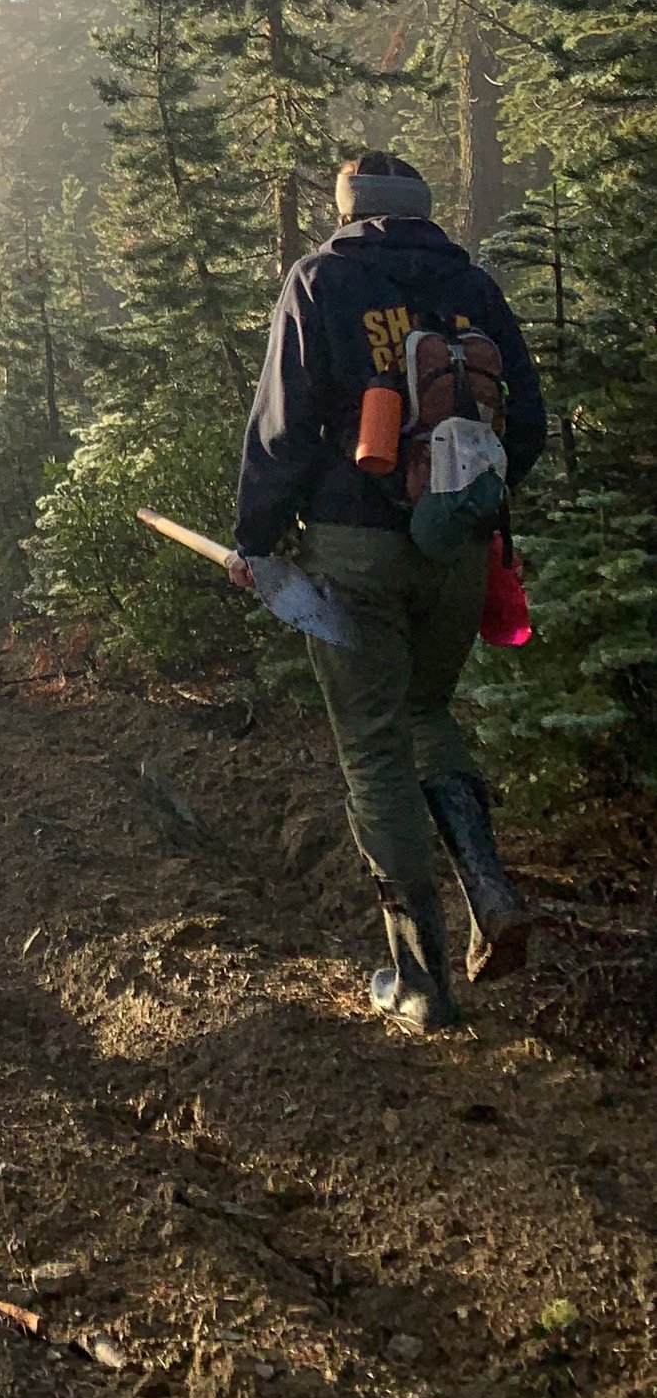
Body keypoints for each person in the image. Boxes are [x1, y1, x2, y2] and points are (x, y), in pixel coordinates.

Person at [235, 150, 547, 1032]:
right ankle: (489, 887)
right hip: (458, 548)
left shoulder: (321, 278)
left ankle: (419, 982)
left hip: (353, 551)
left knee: (373, 747)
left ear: (349, 209)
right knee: (425, 711)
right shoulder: (472, 287)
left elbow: (284, 428)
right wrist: (464, 504)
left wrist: (256, 542)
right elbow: (525, 423)